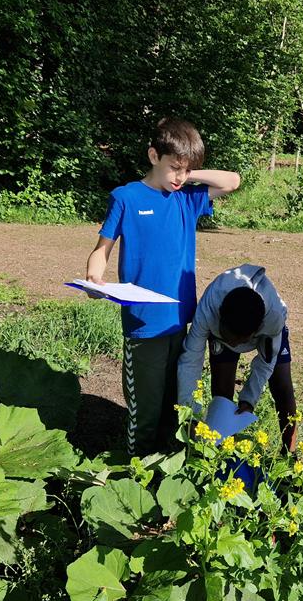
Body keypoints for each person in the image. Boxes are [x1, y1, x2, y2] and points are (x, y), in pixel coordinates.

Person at [86, 117, 240, 456]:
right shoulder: (126, 197)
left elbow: (232, 181)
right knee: (145, 410)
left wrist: (188, 171)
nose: (179, 178)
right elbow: (102, 250)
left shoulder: (186, 198)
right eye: (174, 168)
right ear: (154, 156)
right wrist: (95, 279)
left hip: (180, 322)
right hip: (144, 324)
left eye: (185, 171)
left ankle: (166, 465)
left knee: (176, 403)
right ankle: (135, 469)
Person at [177, 264, 297, 451]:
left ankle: (289, 454)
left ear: (256, 332)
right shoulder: (208, 309)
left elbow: (266, 363)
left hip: (262, 326)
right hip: (225, 324)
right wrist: (190, 414)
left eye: (238, 341)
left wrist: (249, 399)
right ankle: (219, 450)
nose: (234, 345)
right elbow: (191, 359)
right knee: (222, 395)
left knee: (282, 386)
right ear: (219, 320)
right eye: (229, 339)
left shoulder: (274, 319)